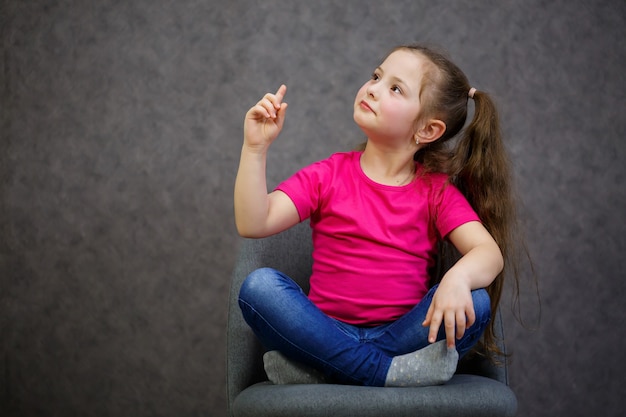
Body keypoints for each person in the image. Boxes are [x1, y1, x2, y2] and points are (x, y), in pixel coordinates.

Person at [234, 44, 519, 387]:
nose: (372, 88)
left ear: (427, 130)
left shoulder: (436, 192)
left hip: (403, 338)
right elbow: (254, 222)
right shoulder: (328, 174)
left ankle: (325, 368)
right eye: (376, 76)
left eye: (395, 88)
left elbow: (489, 254)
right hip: (326, 330)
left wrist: (456, 280)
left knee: (476, 300)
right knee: (259, 287)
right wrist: (255, 148)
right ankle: (382, 372)